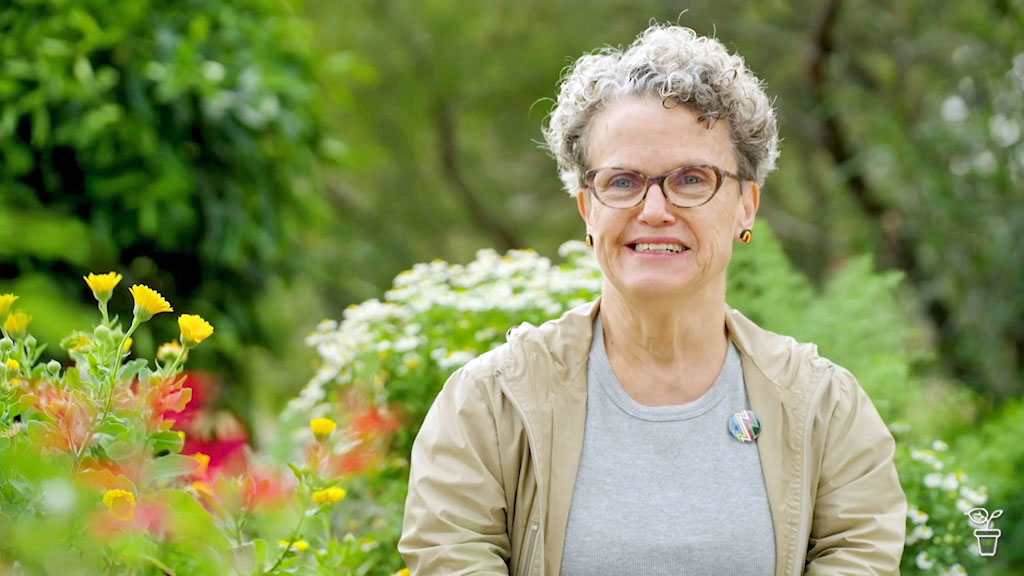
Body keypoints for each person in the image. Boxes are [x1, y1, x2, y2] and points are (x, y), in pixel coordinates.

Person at [399, 23, 906, 576]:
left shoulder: (825, 408)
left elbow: (860, 556)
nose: (655, 209)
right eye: (622, 182)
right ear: (587, 210)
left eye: (691, 179)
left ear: (746, 205)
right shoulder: (490, 404)